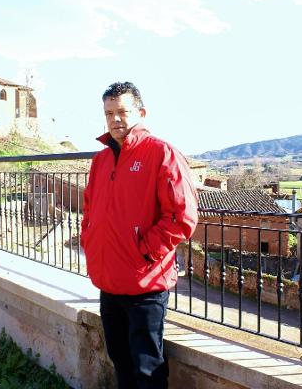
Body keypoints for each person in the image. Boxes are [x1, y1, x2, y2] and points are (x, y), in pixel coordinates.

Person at [80, 82, 198, 388]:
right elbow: (90, 211)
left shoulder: (161, 153)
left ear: (140, 113)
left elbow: (181, 218)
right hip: (109, 282)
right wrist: (90, 243)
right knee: (120, 360)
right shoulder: (100, 160)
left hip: (145, 284)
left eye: (122, 111)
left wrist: (144, 251)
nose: (116, 119)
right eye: (109, 113)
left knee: (147, 369)